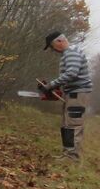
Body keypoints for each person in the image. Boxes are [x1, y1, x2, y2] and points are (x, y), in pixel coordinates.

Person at [40, 31, 93, 159]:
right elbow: (70, 75)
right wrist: (58, 86)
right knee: (67, 125)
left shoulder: (71, 52)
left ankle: (72, 156)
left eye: (52, 46)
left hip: (77, 93)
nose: (53, 49)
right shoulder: (69, 53)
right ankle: (67, 153)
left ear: (59, 41)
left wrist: (51, 85)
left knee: (73, 124)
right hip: (72, 92)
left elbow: (71, 73)